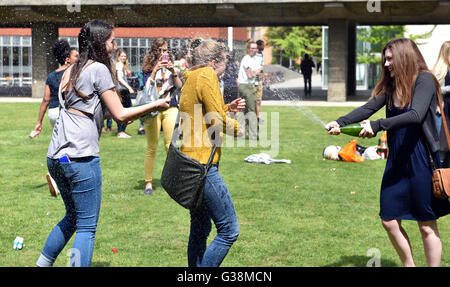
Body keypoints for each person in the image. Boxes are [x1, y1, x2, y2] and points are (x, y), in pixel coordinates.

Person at [36, 19, 170, 267]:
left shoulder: (72, 70)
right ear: (100, 43)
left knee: (73, 217)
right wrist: (155, 104)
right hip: (80, 158)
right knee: (87, 226)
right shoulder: (97, 69)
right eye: (112, 41)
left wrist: (130, 113)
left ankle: (42, 264)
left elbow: (92, 110)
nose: (116, 45)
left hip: (57, 157)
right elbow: (120, 114)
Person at [326, 38, 450, 267]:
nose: (386, 63)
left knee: (426, 223)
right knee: (389, 219)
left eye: (390, 58)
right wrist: (340, 122)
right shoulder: (393, 84)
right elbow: (369, 107)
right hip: (397, 159)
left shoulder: (424, 79)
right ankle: (409, 265)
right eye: (385, 58)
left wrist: (377, 125)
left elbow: (416, 115)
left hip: (422, 159)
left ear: (404, 56)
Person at [179, 38, 246, 267]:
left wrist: (228, 108)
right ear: (215, 61)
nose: (227, 65)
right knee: (229, 229)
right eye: (226, 60)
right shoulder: (208, 75)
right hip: (203, 167)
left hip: (189, 163)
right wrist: (239, 128)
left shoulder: (192, 77)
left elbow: (202, 114)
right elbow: (216, 121)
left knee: (200, 227)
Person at [30, 39, 78, 197]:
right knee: (68, 148)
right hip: (66, 112)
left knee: (62, 146)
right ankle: (59, 176)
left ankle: (61, 175)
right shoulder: (73, 72)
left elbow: (45, 100)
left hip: (52, 113)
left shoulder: (51, 76)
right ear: (67, 57)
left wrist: (38, 122)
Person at [141, 37, 183, 195]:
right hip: (152, 108)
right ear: (155, 51)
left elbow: (180, 87)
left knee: (169, 145)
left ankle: (174, 180)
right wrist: (155, 70)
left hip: (170, 107)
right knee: (152, 146)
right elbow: (146, 88)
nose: (163, 53)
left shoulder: (173, 66)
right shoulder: (148, 66)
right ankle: (148, 183)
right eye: (160, 50)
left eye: (166, 50)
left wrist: (173, 72)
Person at [237, 41, 263, 141]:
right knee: (252, 111)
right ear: (248, 49)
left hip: (245, 86)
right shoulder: (247, 59)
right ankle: (254, 135)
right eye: (252, 48)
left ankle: (241, 134)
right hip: (247, 86)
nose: (254, 50)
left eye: (255, 48)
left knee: (244, 111)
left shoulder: (251, 59)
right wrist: (258, 71)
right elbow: (250, 75)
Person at [432, 41, 450, 167]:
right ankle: (440, 182)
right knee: (442, 149)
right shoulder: (440, 70)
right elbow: (436, 90)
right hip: (442, 114)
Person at [114, 49, 134, 139]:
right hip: (122, 90)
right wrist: (129, 88)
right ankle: (121, 132)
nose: (123, 58)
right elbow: (120, 78)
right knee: (126, 110)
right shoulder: (119, 65)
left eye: (125, 56)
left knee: (127, 110)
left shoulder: (122, 65)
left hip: (122, 89)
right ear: (118, 57)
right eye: (122, 56)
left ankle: (122, 130)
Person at [255, 40, 265, 122]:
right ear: (258, 46)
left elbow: (262, 67)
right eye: (263, 45)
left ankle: (258, 117)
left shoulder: (262, 55)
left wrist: (263, 78)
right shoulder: (253, 55)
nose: (264, 47)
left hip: (259, 81)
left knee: (259, 101)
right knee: (251, 101)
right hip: (252, 81)